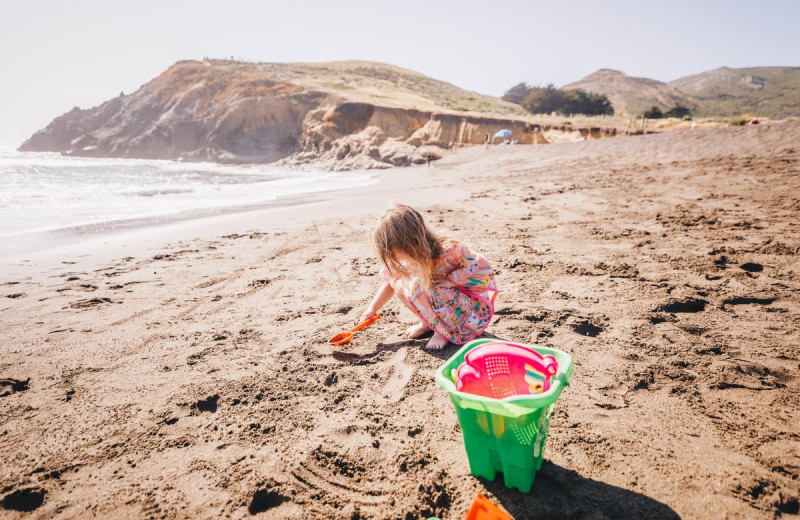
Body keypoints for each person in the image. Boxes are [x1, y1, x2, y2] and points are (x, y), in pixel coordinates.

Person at [360, 204, 498, 349]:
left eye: (393, 252)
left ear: (410, 244)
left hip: (466, 309)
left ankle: (442, 332)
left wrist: (451, 281)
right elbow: (389, 284)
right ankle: (428, 324)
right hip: (443, 305)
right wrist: (372, 309)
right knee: (400, 285)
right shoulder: (404, 260)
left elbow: (480, 265)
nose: (392, 257)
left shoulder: (447, 253)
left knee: (426, 286)